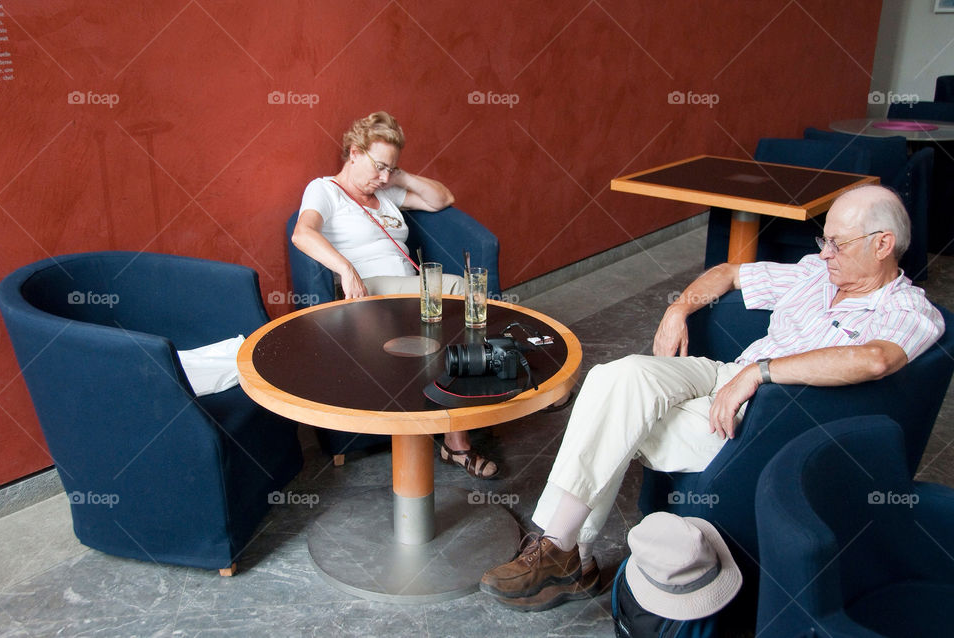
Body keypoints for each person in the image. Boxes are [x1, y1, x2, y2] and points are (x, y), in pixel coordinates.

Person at [479, 184, 945, 609]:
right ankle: (564, 552)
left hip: (772, 418)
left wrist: (762, 373)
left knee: (614, 417)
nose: (824, 254)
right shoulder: (815, 273)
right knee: (615, 378)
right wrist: (679, 309)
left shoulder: (906, 308)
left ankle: (565, 552)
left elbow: (876, 360)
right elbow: (727, 273)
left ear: (882, 244)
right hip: (726, 374)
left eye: (837, 243)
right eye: (823, 241)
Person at [292, 111, 494, 479]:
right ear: (353, 153)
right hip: (371, 292)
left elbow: (441, 199)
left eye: (390, 169)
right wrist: (345, 268)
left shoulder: (385, 192)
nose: (383, 177)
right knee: (463, 290)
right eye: (378, 166)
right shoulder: (324, 190)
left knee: (458, 321)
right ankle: (509, 378)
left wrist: (398, 175)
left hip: (409, 293)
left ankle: (458, 432)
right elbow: (302, 234)